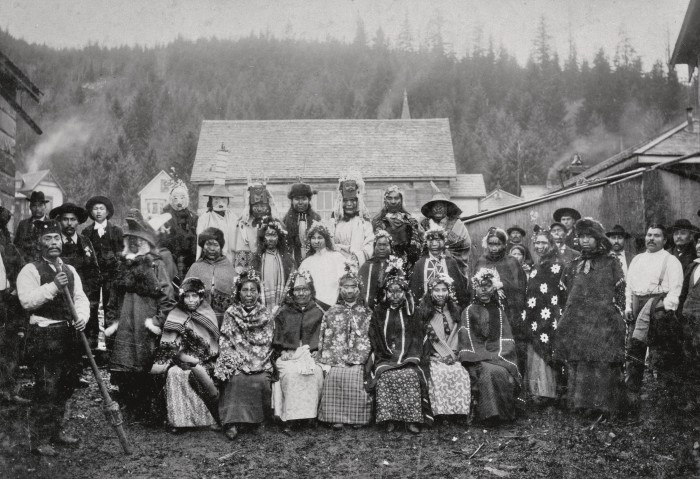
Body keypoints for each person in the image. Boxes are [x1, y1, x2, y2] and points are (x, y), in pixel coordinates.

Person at [16, 220, 90, 456]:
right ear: (39, 243)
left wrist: (82, 317)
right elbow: (27, 301)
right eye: (47, 239)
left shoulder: (70, 269)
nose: (52, 243)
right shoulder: (30, 270)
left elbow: (80, 298)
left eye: (56, 238)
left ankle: (57, 431)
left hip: (69, 334)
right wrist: (53, 286)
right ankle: (39, 439)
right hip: (44, 335)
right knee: (47, 386)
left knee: (66, 384)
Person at [104, 209, 176, 421]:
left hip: (146, 326)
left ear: (146, 242)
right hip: (125, 325)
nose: (134, 244)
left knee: (148, 366)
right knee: (125, 367)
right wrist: (112, 322)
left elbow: (168, 298)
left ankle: (149, 410)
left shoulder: (156, 265)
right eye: (131, 240)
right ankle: (130, 405)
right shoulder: (121, 265)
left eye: (138, 240)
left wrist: (156, 322)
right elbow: (113, 299)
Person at [555, 218, 626, 416]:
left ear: (598, 238)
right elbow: (564, 295)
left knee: (602, 361)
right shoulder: (572, 265)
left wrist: (616, 316)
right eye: (582, 236)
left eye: (590, 236)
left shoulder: (611, 262)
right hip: (579, 322)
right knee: (581, 361)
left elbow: (620, 292)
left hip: (603, 322)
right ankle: (582, 405)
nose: (585, 240)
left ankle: (603, 407)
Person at [367, 264, 432, 434]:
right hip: (385, 357)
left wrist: (408, 355)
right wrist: (387, 353)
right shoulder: (379, 312)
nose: (395, 296)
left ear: (405, 293)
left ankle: (412, 419)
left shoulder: (413, 312)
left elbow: (418, 337)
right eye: (391, 292)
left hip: (409, 356)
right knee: (386, 376)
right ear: (385, 293)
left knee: (411, 375)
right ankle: (389, 419)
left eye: (399, 292)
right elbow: (375, 337)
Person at [624, 223, 684, 407]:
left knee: (660, 353)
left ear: (665, 240)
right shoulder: (637, 259)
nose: (651, 239)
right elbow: (630, 287)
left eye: (656, 236)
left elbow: (675, 291)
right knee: (635, 348)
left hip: (657, 307)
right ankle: (632, 392)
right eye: (649, 235)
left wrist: (664, 309)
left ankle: (664, 396)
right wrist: (628, 306)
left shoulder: (671, 260)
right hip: (637, 305)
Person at [151, 277, 220, 431]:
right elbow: (169, 342)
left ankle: (203, 420)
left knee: (196, 372)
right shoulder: (177, 313)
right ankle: (178, 421)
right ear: (182, 297)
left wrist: (194, 358)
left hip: (205, 359)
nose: (190, 300)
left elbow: (212, 345)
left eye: (194, 296)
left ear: (201, 297)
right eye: (187, 296)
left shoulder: (207, 314)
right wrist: (180, 355)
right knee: (174, 374)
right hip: (179, 358)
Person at [214, 269, 274, 440]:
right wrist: (238, 362)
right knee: (235, 378)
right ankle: (231, 422)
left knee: (260, 380)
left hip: (259, 360)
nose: (249, 294)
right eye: (245, 290)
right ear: (238, 292)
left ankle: (256, 421)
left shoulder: (265, 314)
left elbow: (265, 342)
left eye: (253, 290)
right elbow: (226, 340)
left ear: (258, 292)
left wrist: (253, 363)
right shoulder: (231, 313)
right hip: (236, 359)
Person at [458, 268, 523, 424]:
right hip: (476, 357)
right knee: (488, 370)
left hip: (499, 356)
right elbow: (468, 339)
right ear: (475, 288)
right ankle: (490, 415)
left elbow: (506, 338)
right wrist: (484, 356)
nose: (484, 290)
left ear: (493, 288)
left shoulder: (499, 312)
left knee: (500, 370)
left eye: (488, 286)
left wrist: (496, 355)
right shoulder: (469, 311)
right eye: (481, 286)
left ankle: (505, 414)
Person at [316, 268, 373, 429]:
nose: (349, 290)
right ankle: (335, 417)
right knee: (335, 376)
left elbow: (369, 338)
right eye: (345, 287)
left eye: (353, 286)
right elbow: (326, 338)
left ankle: (358, 418)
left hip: (358, 357)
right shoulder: (331, 312)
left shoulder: (367, 313)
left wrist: (358, 356)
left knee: (356, 376)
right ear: (340, 289)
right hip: (337, 357)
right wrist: (333, 358)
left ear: (358, 289)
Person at [271, 270, 325, 431]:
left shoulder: (318, 311)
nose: (301, 293)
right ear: (292, 292)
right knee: (291, 374)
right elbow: (277, 338)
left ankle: (310, 416)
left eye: (305, 289)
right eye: (297, 289)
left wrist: (318, 351)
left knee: (315, 372)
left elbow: (324, 336)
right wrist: (283, 352)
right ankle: (290, 418)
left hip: (311, 355)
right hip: (289, 355)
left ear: (311, 290)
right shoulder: (283, 312)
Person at [417, 273, 471, 420]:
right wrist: (437, 355)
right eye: (437, 290)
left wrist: (453, 354)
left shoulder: (455, 310)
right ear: (430, 292)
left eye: (443, 290)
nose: (440, 294)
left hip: (453, 355)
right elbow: (423, 339)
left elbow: (458, 335)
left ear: (449, 292)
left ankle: (458, 413)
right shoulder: (423, 312)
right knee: (439, 374)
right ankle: (441, 414)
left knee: (460, 373)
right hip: (434, 356)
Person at [475, 227, 527, 375]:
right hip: (487, 311)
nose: (494, 248)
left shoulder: (511, 262)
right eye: (491, 244)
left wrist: (501, 284)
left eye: (498, 244)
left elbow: (520, 286)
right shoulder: (481, 261)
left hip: (509, 312)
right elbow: (475, 287)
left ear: (504, 245)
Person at [49, 202, 101, 349]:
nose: (69, 223)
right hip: (62, 294)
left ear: (78, 222)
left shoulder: (85, 242)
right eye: (65, 219)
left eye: (73, 219)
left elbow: (94, 270)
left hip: (84, 294)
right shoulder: (55, 243)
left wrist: (89, 294)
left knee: (84, 328)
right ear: (59, 221)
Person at [523, 229, 566, 405]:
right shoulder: (537, 265)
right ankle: (537, 390)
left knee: (547, 347)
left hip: (549, 314)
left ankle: (548, 392)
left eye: (544, 243)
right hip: (535, 313)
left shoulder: (557, 265)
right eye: (537, 243)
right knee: (535, 348)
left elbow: (559, 292)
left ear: (551, 245)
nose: (540, 247)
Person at [84, 195, 124, 355]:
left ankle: (111, 348)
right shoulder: (87, 232)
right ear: (91, 212)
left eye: (102, 208)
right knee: (91, 308)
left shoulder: (116, 231)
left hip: (111, 278)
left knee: (111, 309)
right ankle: (92, 347)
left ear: (108, 212)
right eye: (95, 209)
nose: (98, 212)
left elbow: (121, 253)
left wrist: (113, 261)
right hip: (93, 278)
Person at [0, 206, 28, 405]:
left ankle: (8, 390)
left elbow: (21, 268)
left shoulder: (7, 246)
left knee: (9, 345)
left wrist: (17, 288)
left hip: (6, 300)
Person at [185, 227, 236, 327]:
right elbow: (185, 295)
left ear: (221, 247)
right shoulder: (196, 267)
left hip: (224, 321)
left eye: (215, 245)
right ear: (203, 246)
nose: (212, 249)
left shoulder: (228, 268)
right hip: (200, 321)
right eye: (208, 244)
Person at [410, 226, 470, 309]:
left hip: (448, 308)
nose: (434, 244)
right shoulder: (420, 264)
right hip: (426, 309)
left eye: (438, 240)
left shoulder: (451, 262)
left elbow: (459, 289)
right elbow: (415, 291)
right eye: (430, 241)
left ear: (444, 242)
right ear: (426, 242)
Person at [419, 182, 471, 278]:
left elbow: (464, 245)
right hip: (429, 267)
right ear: (430, 209)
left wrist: (444, 252)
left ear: (447, 208)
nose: (438, 208)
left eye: (441, 205)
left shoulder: (457, 224)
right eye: (435, 206)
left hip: (453, 268)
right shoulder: (424, 224)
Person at [371, 185, 424, 273]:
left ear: (401, 200)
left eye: (396, 198)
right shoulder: (378, 221)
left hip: (408, 264)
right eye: (389, 198)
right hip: (384, 264)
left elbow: (419, 244)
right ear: (385, 200)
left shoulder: (411, 220)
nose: (393, 201)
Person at [231, 180, 279, 272]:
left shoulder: (274, 224)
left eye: (263, 205)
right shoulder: (243, 226)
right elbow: (241, 253)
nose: (260, 209)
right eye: (256, 205)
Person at [299, 221, 347, 310]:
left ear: (326, 239)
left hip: (335, 304)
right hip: (314, 307)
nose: (316, 241)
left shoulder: (337, 257)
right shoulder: (306, 262)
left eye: (320, 238)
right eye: (313, 238)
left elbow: (344, 281)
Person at [252, 218, 296, 313]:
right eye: (268, 235)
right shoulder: (257, 259)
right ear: (263, 237)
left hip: (282, 307)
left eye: (274, 235)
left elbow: (291, 283)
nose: (271, 239)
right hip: (262, 308)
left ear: (279, 237)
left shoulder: (287, 260)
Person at [332, 174, 374, 268]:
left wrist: (355, 258)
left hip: (359, 266)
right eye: (345, 201)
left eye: (353, 200)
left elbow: (369, 246)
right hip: (338, 265)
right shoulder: (335, 224)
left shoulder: (365, 224)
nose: (349, 204)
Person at [161, 178, 198, 277]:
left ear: (186, 199)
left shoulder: (193, 217)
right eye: (175, 198)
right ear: (171, 199)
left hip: (189, 258)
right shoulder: (165, 216)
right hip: (170, 257)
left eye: (182, 197)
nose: (179, 201)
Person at [196, 178, 237, 263]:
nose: (220, 203)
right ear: (211, 200)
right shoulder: (204, 218)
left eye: (223, 199)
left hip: (229, 259)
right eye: (216, 199)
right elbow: (199, 244)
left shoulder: (233, 218)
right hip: (210, 259)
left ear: (227, 200)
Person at [282, 181, 321, 266]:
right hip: (293, 260)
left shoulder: (316, 218)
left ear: (309, 199)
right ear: (292, 200)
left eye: (303, 199)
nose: (300, 202)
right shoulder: (285, 220)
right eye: (297, 199)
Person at [358, 230, 394, 310]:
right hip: (370, 308)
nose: (382, 248)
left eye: (385, 245)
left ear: (391, 246)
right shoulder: (367, 266)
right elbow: (361, 289)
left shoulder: (396, 265)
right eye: (379, 245)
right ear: (374, 246)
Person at [14, 190, 50, 262]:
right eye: (34, 205)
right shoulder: (23, 225)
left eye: (40, 205)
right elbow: (16, 247)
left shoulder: (51, 224)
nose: (37, 209)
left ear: (45, 206)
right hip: (25, 265)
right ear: (30, 207)